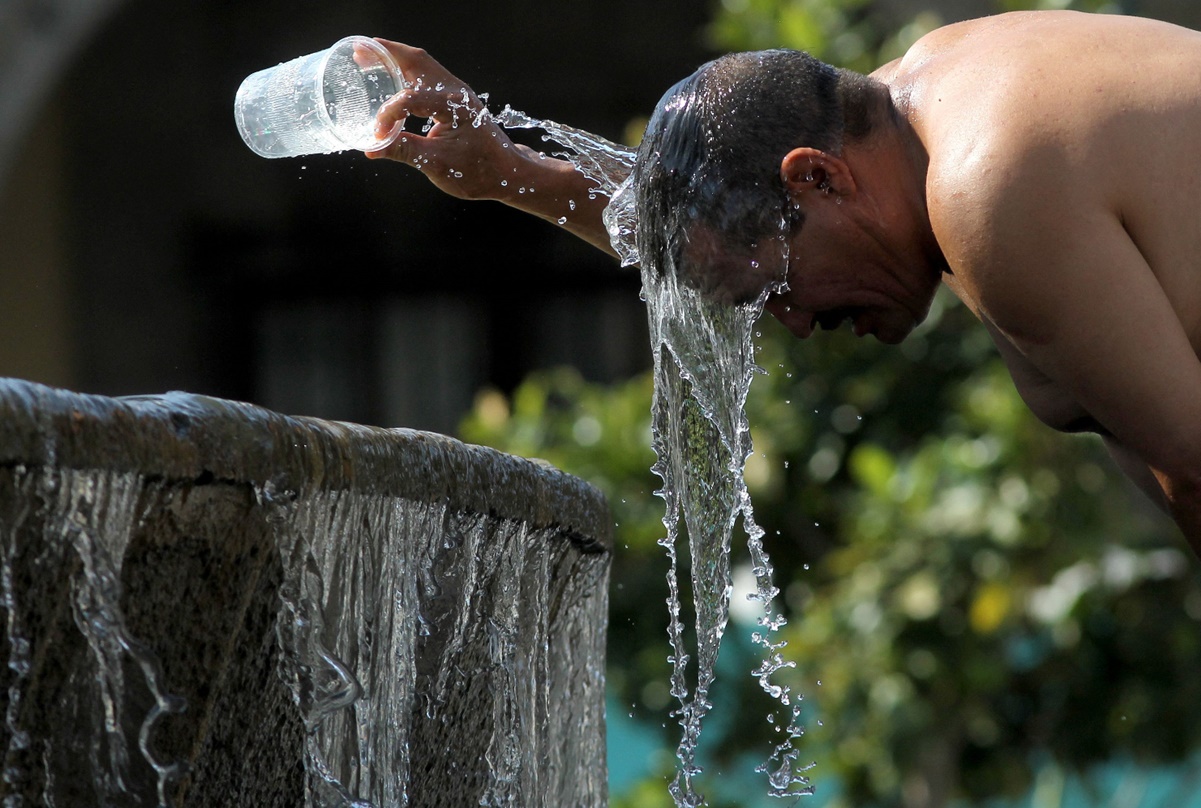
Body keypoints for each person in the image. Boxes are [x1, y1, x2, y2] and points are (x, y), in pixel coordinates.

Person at [363, 10, 1201, 553]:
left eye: (772, 291)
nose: (793, 324)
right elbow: (719, 225)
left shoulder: (988, 193)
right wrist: (506, 169)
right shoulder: (934, 89)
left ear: (819, 180)